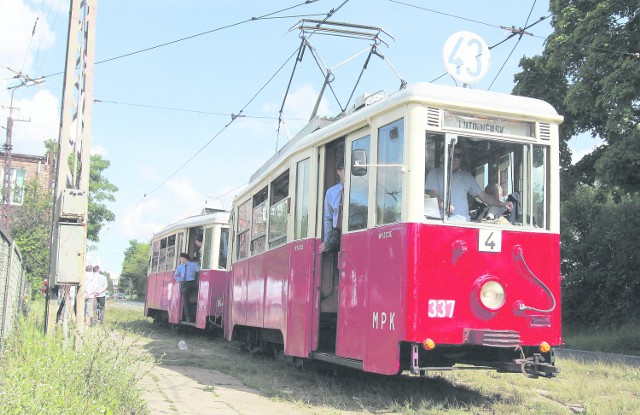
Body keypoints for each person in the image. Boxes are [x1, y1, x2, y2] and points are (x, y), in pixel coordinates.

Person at [425, 147, 513, 221]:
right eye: (452, 154)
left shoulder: (467, 177)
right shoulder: (435, 173)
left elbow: (484, 197)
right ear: (444, 156)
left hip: (463, 223)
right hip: (441, 222)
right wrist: (443, 205)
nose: (455, 158)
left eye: (458, 156)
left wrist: (503, 204)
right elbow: (433, 194)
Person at [319, 163, 345, 252]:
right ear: (339, 171)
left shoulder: (359, 189)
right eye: (346, 168)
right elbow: (328, 217)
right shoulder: (331, 192)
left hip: (355, 230)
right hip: (337, 234)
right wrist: (327, 241)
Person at [174, 253, 200, 322]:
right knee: (185, 300)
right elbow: (176, 275)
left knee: (198, 296)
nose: (180, 259)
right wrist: (180, 281)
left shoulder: (193, 265)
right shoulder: (180, 266)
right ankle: (188, 318)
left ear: (184, 258)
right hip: (184, 284)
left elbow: (199, 271)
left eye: (180, 258)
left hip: (192, 283)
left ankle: (197, 315)